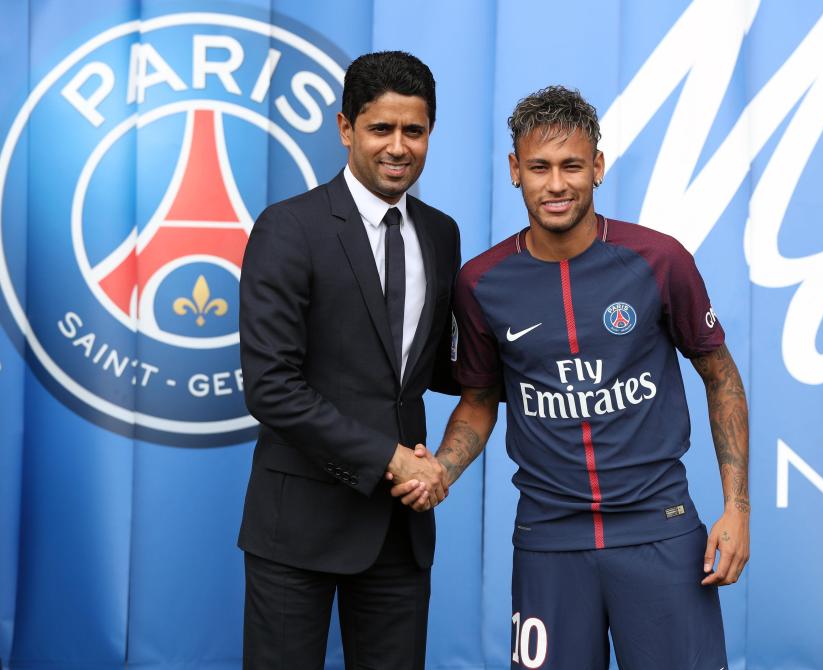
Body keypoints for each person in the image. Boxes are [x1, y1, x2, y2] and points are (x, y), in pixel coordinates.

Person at [394, 86, 749, 669]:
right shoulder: (481, 282)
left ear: (598, 167)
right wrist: (443, 468)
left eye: (571, 166)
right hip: (548, 539)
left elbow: (722, 376)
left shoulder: (660, 260)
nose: (556, 184)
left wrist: (737, 509)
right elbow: (481, 400)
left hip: (659, 532)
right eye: (539, 167)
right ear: (515, 171)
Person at [238, 51, 459, 669]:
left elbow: (433, 367)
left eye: (412, 131)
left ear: (430, 133)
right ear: (345, 129)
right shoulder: (288, 228)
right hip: (298, 528)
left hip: (399, 533)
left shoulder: (442, 233)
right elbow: (271, 387)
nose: (397, 146)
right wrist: (387, 457)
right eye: (379, 128)